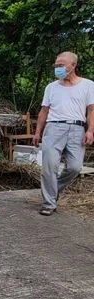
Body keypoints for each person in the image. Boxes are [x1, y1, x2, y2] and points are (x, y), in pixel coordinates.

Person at [32, 51, 94, 216]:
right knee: (49, 167)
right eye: (56, 66)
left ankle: (53, 191)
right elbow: (44, 111)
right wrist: (38, 132)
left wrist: (90, 130)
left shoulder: (88, 85)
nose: (57, 68)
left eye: (61, 65)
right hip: (53, 128)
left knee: (74, 167)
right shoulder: (51, 87)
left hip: (77, 129)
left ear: (73, 66)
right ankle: (49, 203)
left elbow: (91, 110)